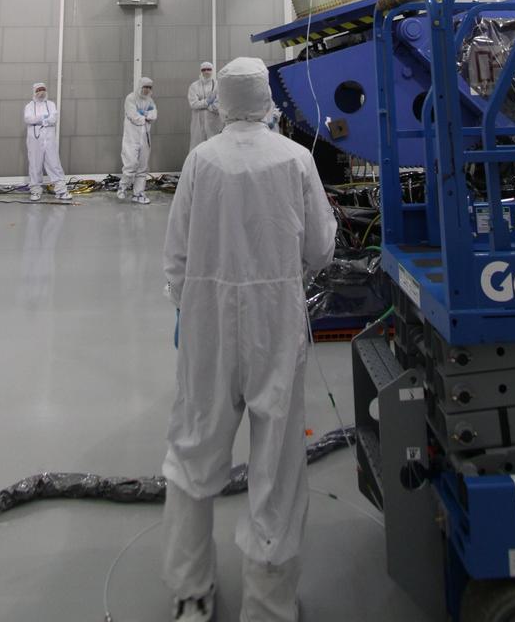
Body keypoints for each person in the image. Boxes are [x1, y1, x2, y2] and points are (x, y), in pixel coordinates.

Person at [162, 56, 336, 622]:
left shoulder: (200, 161)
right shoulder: (296, 158)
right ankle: (268, 605)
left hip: (207, 324)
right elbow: (321, 248)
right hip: (274, 324)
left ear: (223, 101)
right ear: (266, 99)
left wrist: (187, 307)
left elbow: (176, 254)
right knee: (277, 464)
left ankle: (191, 593)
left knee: (193, 449)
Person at [23, 82, 71, 202]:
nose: (41, 92)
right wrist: (44, 118)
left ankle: (61, 190)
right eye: (39, 90)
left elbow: (53, 118)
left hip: (49, 140)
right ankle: (35, 191)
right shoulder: (29, 106)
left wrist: (39, 120)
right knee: (35, 165)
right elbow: (28, 119)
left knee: (54, 164)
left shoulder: (51, 104)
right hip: (34, 140)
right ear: (34, 92)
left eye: (43, 89)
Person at [119, 75, 157, 203]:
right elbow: (134, 117)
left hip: (145, 137)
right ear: (140, 86)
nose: (147, 89)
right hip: (131, 137)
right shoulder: (131, 98)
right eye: (145, 87)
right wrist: (146, 116)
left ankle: (138, 193)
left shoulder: (150, 100)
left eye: (149, 87)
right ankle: (122, 187)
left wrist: (143, 114)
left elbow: (154, 115)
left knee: (142, 167)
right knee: (131, 164)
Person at [187, 60, 222, 149]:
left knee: (214, 146)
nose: (206, 71)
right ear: (201, 71)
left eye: (209, 69)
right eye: (204, 69)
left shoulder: (218, 85)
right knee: (197, 146)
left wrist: (204, 105)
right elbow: (193, 104)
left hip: (214, 122)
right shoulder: (194, 86)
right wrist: (207, 102)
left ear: (212, 70)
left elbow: (219, 104)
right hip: (198, 123)